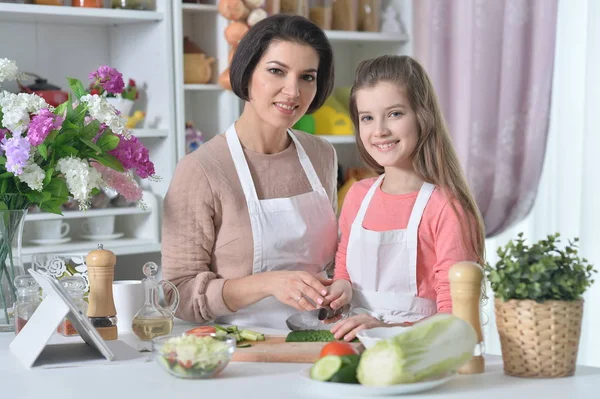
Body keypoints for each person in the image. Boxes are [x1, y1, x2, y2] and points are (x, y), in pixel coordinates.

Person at [161, 14, 339, 329]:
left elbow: (334, 263)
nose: (292, 91)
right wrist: (268, 284)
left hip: (320, 338)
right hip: (241, 348)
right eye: (276, 71)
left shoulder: (321, 155)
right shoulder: (201, 170)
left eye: (307, 77)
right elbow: (179, 294)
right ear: (247, 74)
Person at [323, 55, 486, 341]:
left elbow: (457, 316)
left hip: (418, 350)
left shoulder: (446, 208)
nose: (379, 130)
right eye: (367, 118)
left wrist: (389, 331)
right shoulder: (357, 196)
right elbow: (343, 269)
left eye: (395, 114)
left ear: (423, 117)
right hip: (354, 342)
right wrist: (341, 288)